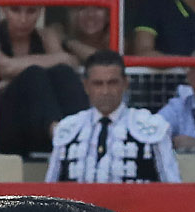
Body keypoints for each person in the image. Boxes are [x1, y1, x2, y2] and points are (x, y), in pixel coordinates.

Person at [45, 50, 179, 182]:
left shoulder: (151, 126)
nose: (105, 91)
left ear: (125, 83)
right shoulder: (68, 128)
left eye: (112, 83)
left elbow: (172, 184)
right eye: (98, 84)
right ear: (86, 86)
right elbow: (51, 185)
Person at [0, 0, 87, 156]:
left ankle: (82, 136)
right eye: (15, 10)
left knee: (61, 74)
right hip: (8, 129)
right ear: (3, 8)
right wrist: (30, 71)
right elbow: (3, 66)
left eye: (31, 11)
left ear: (41, 10)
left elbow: (68, 64)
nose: (23, 19)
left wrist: (10, 80)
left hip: (40, 126)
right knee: (33, 75)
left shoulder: (45, 36)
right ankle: (64, 138)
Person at [59, 0, 114, 65]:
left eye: (98, 7)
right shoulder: (57, 33)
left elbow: (108, 64)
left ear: (108, 15)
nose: (90, 14)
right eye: (82, 7)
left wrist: (70, 43)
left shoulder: (119, 43)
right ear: (73, 13)